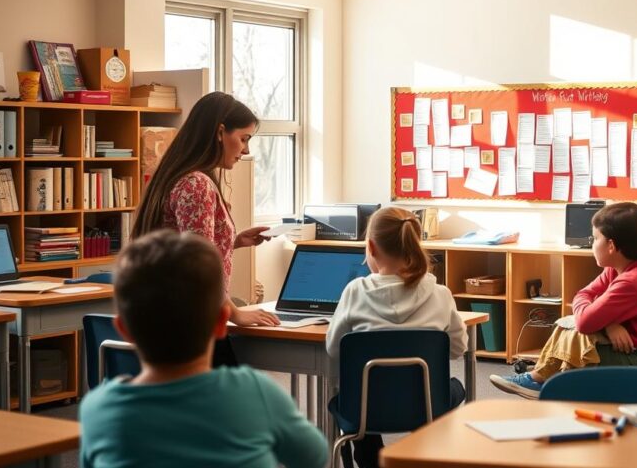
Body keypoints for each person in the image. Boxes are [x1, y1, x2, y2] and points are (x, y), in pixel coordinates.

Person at [79, 230, 329, 468]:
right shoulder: (255, 393)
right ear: (222, 323)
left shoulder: (98, 410)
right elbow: (314, 456)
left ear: (124, 330)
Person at [326, 206, 467, 468]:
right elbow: (458, 348)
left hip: (365, 410)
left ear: (371, 247)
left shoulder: (354, 292)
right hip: (427, 404)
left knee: (349, 398)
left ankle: (371, 460)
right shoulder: (440, 294)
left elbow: (335, 349)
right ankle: (423, 452)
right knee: (456, 388)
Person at [490, 202, 637, 399]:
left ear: (611, 246)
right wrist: (610, 324)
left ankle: (549, 384)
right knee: (570, 325)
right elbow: (581, 295)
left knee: (575, 332)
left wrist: (602, 320)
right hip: (633, 349)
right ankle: (541, 380)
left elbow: (585, 322)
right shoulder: (619, 269)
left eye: (595, 238)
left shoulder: (632, 281)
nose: (592, 244)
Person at [132, 92, 278, 328]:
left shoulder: (175, 176)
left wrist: (233, 241)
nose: (246, 150)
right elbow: (199, 267)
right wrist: (236, 314)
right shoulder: (196, 183)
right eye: (243, 139)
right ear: (220, 133)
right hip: (188, 323)